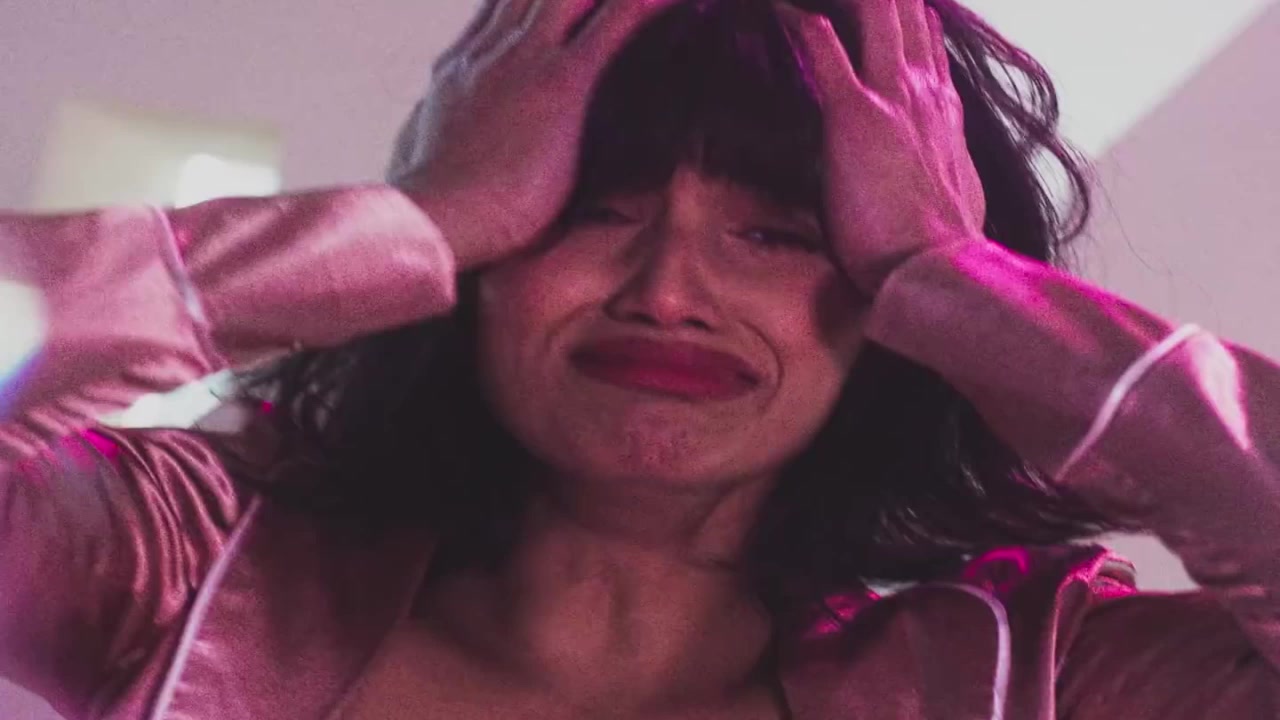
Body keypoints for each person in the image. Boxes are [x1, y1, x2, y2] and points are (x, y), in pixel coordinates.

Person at [1, 0, 1277, 717]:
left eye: (777, 233)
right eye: (589, 210)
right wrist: (410, 224)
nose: (667, 293)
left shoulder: (1036, 676)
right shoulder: (176, 570)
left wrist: (950, 277)